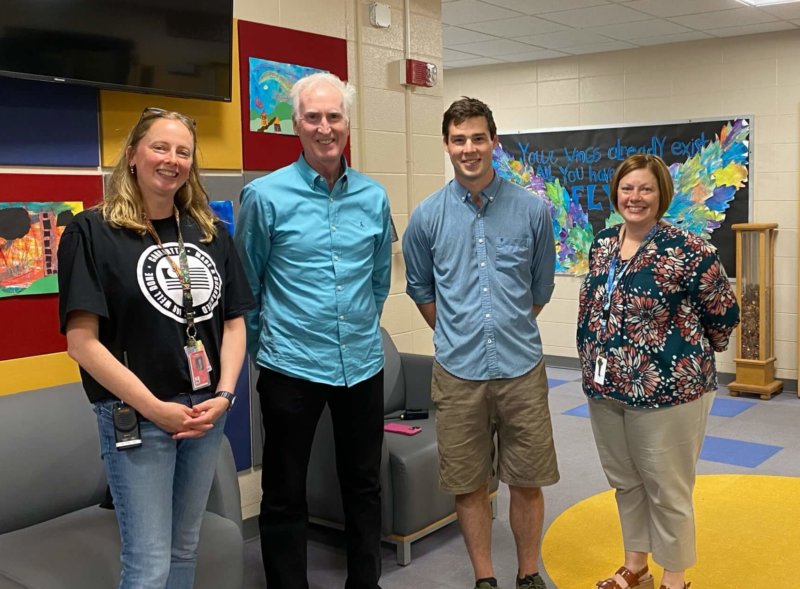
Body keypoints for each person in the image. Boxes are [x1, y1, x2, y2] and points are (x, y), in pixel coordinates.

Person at [57, 107, 254, 588]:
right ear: (132, 157)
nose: (172, 159)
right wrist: (155, 408)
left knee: (185, 548)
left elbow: (233, 324)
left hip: (206, 412)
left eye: (183, 151)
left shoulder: (209, 232)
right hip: (139, 418)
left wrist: (225, 397)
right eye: (160, 147)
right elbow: (82, 343)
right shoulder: (92, 233)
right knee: (148, 564)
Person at [235, 72, 392, 589]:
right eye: (313, 118)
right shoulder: (263, 196)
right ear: (295, 126)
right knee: (283, 492)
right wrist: (268, 347)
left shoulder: (373, 197)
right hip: (290, 367)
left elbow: (377, 280)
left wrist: (358, 327)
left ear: (348, 123)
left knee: (364, 487)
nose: (325, 128)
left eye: (334, 117)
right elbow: (248, 284)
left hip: (362, 365)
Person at [402, 97, 560, 589]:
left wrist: (504, 326)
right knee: (468, 483)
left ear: (494, 141)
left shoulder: (532, 210)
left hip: (521, 369)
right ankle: (485, 578)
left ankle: (528, 573)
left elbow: (540, 289)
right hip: (457, 372)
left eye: (477, 138)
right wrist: (457, 331)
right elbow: (422, 291)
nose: (468, 149)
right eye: (458, 139)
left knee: (526, 479)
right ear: (447, 146)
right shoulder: (427, 217)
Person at [576, 154, 739, 589]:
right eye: (627, 188)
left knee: (667, 489)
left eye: (645, 189)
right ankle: (635, 567)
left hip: (670, 390)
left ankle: (675, 577)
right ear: (616, 194)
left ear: (661, 194)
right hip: (606, 386)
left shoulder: (690, 249)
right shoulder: (604, 244)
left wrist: (683, 356)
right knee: (626, 482)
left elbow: (723, 314)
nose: (635, 197)